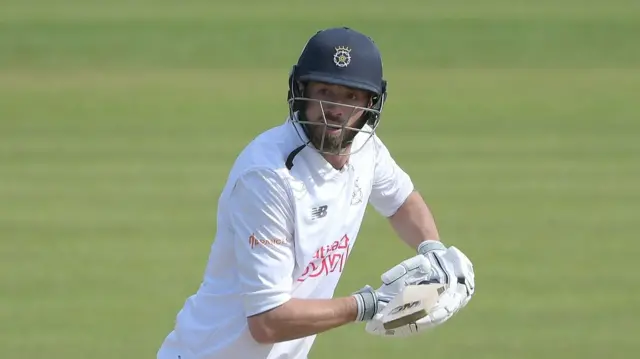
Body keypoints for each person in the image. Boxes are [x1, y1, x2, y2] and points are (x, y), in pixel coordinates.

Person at [156, 27, 475, 359]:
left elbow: (400, 201)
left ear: (370, 103)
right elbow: (267, 321)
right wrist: (369, 304)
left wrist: (433, 250)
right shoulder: (267, 178)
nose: (335, 109)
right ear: (301, 91)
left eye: (351, 96)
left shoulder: (366, 150)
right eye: (325, 91)